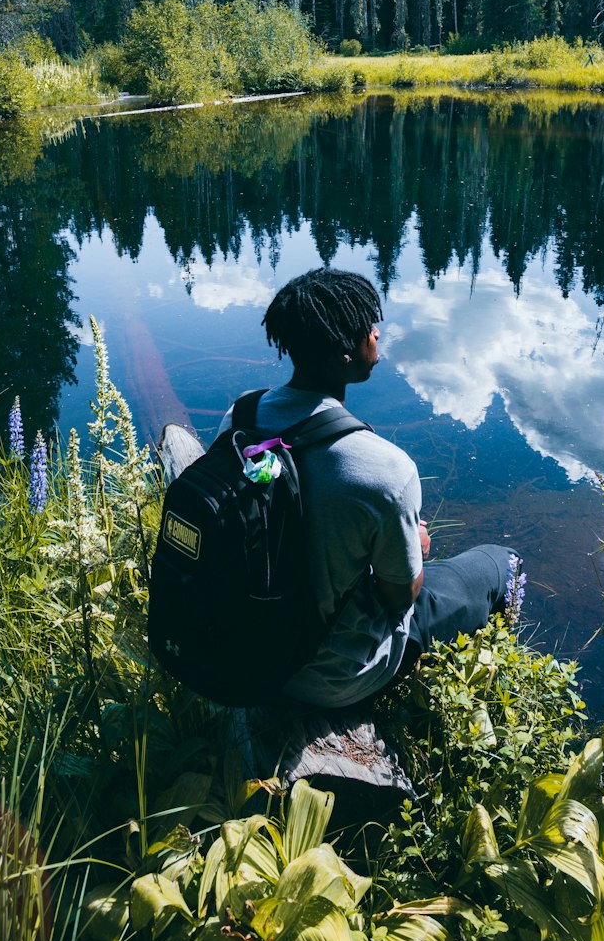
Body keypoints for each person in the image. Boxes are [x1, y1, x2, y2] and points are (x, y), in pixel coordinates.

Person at [221, 266, 518, 710]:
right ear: (345, 352)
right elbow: (399, 596)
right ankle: (493, 691)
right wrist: (415, 545)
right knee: (500, 563)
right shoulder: (386, 470)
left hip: (247, 650)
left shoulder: (240, 419)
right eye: (367, 328)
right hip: (329, 678)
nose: (376, 332)